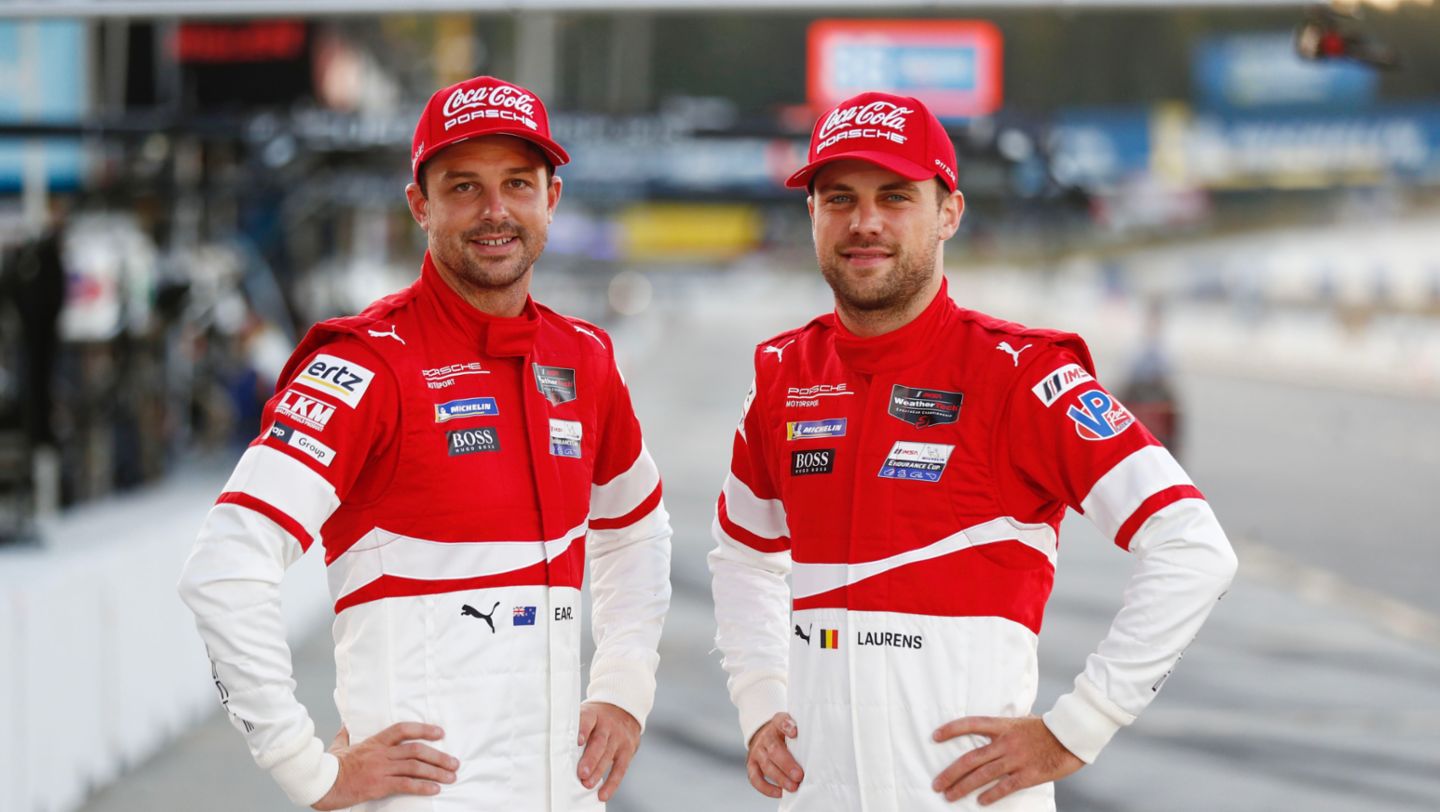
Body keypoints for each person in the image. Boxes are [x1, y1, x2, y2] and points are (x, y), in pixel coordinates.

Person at [708, 91, 1237, 811]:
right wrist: (761, 698)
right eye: (839, 199)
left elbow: (1193, 546)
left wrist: (1078, 727)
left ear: (948, 212)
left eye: (895, 197)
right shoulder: (782, 376)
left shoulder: (1024, 374)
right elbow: (743, 553)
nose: (863, 222)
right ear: (812, 214)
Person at [179, 75, 673, 811]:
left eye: (517, 183)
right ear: (421, 206)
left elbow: (636, 531)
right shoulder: (363, 363)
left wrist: (625, 686)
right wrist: (306, 768)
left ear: (552, 199)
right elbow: (224, 567)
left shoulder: (584, 359)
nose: (496, 211)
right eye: (464, 186)